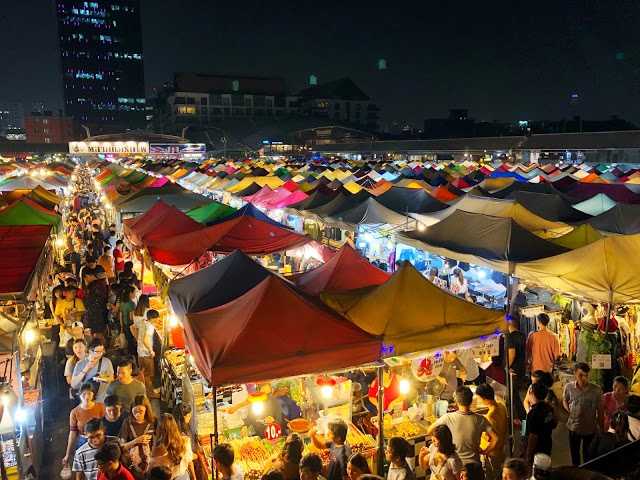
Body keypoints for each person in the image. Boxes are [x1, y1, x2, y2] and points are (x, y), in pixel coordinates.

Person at [428, 387, 497, 480]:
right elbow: (496, 439)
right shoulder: (480, 419)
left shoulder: (448, 418)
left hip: (456, 468)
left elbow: (430, 430)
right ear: (471, 400)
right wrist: (485, 451)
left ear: (456, 401)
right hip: (475, 468)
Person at [563, 362, 604, 466]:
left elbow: (600, 411)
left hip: (590, 429)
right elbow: (565, 400)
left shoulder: (596, 390)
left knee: (588, 456)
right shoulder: (569, 387)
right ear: (575, 374)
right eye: (581, 375)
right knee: (574, 455)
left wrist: (601, 429)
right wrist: (569, 410)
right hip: (573, 427)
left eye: (586, 375)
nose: (584, 378)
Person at [63, 382, 107, 468]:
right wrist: (67, 454)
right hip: (83, 441)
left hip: (100, 441)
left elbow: (105, 426)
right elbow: (72, 433)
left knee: (100, 466)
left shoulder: (100, 407)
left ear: (93, 394)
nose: (87, 397)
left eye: (89, 394)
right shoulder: (74, 412)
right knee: (86, 466)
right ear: (79, 395)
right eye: (84, 394)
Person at [149, 413, 195, 480]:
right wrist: (194, 478)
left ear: (158, 429)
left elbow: (151, 470)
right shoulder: (185, 441)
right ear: (174, 426)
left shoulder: (157, 449)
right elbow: (190, 463)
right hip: (183, 477)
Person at [475, 384, 507, 480]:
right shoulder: (501, 406)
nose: (478, 400)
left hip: (492, 455)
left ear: (485, 399)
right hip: (501, 452)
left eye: (479, 398)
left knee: (491, 476)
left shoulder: (489, 417)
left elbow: (495, 440)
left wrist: (485, 451)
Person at [120, 395, 156, 478]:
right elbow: (122, 447)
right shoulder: (127, 422)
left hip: (150, 463)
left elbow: (158, 443)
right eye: (135, 411)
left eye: (141, 411)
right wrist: (136, 441)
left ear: (146, 410)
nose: (138, 414)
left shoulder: (153, 421)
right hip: (132, 465)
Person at [524, 382, 557, 465]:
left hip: (537, 449)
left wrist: (528, 454)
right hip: (547, 444)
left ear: (532, 394)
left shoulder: (533, 413)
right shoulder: (549, 408)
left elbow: (533, 436)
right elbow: (554, 424)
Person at [131, 309, 158, 399]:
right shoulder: (150, 326)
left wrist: (137, 338)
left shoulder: (142, 322)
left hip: (140, 352)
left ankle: (144, 392)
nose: (157, 321)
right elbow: (146, 339)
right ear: (153, 318)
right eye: (156, 319)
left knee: (143, 373)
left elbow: (132, 327)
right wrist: (151, 351)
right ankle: (150, 393)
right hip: (146, 353)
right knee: (148, 375)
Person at [505, 315, 526, 422]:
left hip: (513, 369)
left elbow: (512, 353)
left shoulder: (510, 336)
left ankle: (521, 417)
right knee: (516, 393)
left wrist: (507, 366)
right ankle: (521, 417)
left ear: (509, 323)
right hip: (522, 367)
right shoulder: (523, 335)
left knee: (514, 394)